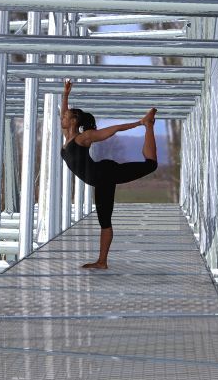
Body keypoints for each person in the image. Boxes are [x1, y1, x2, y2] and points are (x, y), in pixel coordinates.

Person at [59, 79, 157, 270]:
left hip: (105, 174)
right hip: (100, 178)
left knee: (151, 166)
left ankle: (148, 125)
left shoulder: (83, 137)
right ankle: (102, 261)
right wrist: (66, 94)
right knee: (104, 221)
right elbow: (64, 113)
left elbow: (114, 130)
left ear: (74, 121)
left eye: (66, 116)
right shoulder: (68, 137)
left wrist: (138, 123)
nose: (62, 117)